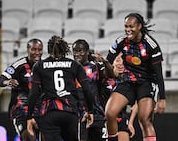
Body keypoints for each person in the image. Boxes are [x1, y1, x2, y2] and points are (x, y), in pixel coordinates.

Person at [105, 13, 166, 141]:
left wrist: (162, 98)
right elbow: (108, 61)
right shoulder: (120, 41)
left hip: (147, 82)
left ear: (139, 26)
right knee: (110, 113)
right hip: (128, 80)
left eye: (131, 26)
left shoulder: (151, 45)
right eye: (126, 26)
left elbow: (159, 73)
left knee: (144, 119)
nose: (128, 29)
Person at [27, 35, 94, 141]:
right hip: (70, 112)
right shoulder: (74, 65)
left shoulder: (39, 66)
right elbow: (87, 90)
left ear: (48, 50)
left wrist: (29, 116)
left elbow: (34, 93)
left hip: (49, 112)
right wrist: (90, 111)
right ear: (65, 49)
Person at [0, 38, 44, 141]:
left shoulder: (45, 66)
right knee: (28, 136)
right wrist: (8, 82)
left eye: (40, 50)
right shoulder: (19, 65)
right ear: (28, 50)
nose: (37, 53)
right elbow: (1, 80)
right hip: (21, 108)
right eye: (34, 49)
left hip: (40, 109)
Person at [72, 39, 112, 141]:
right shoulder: (70, 69)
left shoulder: (96, 67)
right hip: (79, 115)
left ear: (87, 52)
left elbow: (111, 76)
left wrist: (105, 62)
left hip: (97, 114)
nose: (77, 54)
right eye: (75, 51)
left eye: (80, 51)